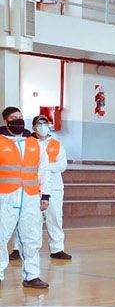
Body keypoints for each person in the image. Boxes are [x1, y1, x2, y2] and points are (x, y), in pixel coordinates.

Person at [0, 107, 50, 289]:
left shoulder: (34, 143)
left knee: (31, 237)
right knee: (0, 236)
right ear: (6, 121)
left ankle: (32, 276)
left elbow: (44, 170)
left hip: (30, 197)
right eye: (14, 118)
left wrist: (45, 195)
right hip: (5, 197)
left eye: (20, 117)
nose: (18, 120)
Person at [10, 116, 71, 262]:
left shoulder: (56, 144)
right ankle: (18, 248)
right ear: (33, 127)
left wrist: (44, 167)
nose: (42, 126)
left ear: (49, 125)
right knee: (25, 219)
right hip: (31, 187)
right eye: (39, 123)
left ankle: (57, 248)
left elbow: (62, 165)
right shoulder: (27, 143)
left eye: (45, 123)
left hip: (54, 187)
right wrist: (42, 168)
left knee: (55, 217)